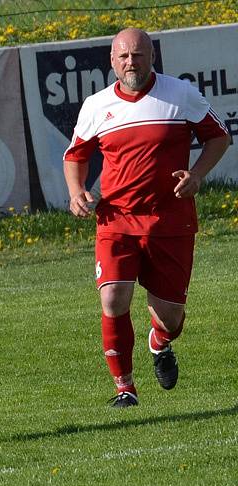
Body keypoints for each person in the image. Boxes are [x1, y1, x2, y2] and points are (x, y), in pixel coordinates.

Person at [63, 28, 230, 408]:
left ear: (151, 57)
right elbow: (75, 156)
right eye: (123, 56)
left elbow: (219, 137)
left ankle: (160, 342)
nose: (130, 63)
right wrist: (77, 192)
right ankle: (125, 388)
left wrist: (198, 176)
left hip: (170, 222)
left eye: (137, 55)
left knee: (170, 318)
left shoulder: (180, 94)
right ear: (111, 60)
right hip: (116, 219)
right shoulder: (96, 106)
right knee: (113, 298)